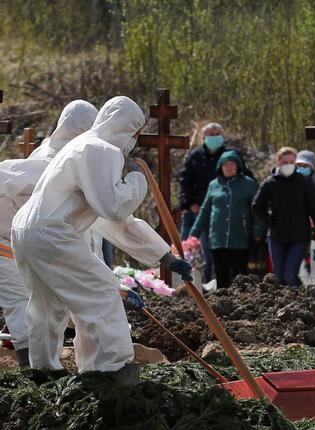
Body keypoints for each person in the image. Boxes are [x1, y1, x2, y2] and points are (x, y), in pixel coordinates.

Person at [11, 96, 192, 382]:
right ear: (125, 127)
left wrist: (163, 256)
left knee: (46, 305)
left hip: (25, 230)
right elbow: (112, 207)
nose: (133, 140)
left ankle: (43, 371)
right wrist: (137, 181)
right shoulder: (101, 149)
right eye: (134, 132)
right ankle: (110, 370)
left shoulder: (79, 147)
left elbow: (111, 221)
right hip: (51, 232)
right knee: (102, 293)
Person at [0, 100, 98, 367]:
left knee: (44, 307)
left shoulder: (74, 162)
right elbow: (4, 175)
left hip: (32, 242)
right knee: (21, 302)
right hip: (5, 238)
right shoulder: (49, 161)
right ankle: (31, 370)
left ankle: (42, 366)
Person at [253, 147, 315, 286]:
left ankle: (301, 300)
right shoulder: (270, 183)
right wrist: (270, 222)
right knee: (279, 277)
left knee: (290, 275)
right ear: (278, 162)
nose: (289, 165)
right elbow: (256, 206)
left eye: (292, 162)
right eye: (285, 161)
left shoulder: (304, 182)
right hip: (277, 237)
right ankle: (284, 305)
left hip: (300, 237)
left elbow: (314, 208)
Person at [190, 150, 263, 289]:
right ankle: (222, 304)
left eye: (232, 164)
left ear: (238, 166)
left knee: (240, 276)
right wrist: (194, 233)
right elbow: (205, 210)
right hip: (218, 239)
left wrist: (257, 231)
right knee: (221, 275)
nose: (229, 167)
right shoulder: (213, 185)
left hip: (240, 237)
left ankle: (242, 303)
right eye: (225, 164)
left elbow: (257, 209)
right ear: (220, 166)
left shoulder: (249, 184)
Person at [178, 123, 228, 282]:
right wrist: (191, 203)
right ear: (204, 138)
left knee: (211, 255)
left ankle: (209, 285)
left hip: (219, 213)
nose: (214, 138)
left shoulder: (229, 157)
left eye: (217, 134)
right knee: (187, 252)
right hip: (195, 211)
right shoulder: (195, 157)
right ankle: (184, 285)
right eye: (210, 135)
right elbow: (185, 182)